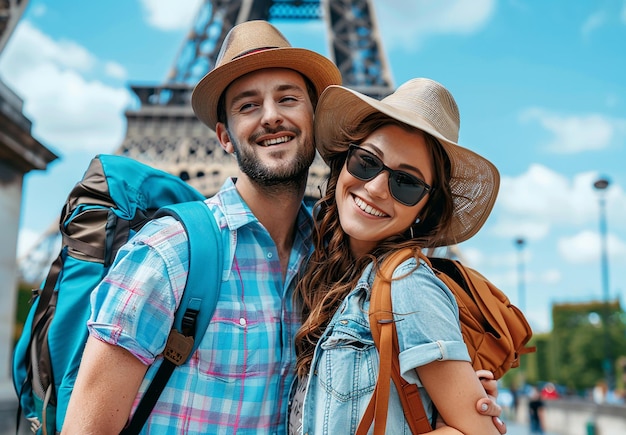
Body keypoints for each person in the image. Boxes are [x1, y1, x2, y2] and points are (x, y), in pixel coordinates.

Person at [62, 21, 504, 434]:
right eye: (248, 105)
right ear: (224, 136)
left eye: (288, 98)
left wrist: (451, 394)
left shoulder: (336, 266)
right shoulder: (169, 253)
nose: (271, 116)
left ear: (313, 118)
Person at [290, 78, 502, 434]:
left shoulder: (408, 283)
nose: (375, 188)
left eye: (405, 182)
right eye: (366, 162)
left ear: (425, 207)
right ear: (344, 161)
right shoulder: (326, 274)